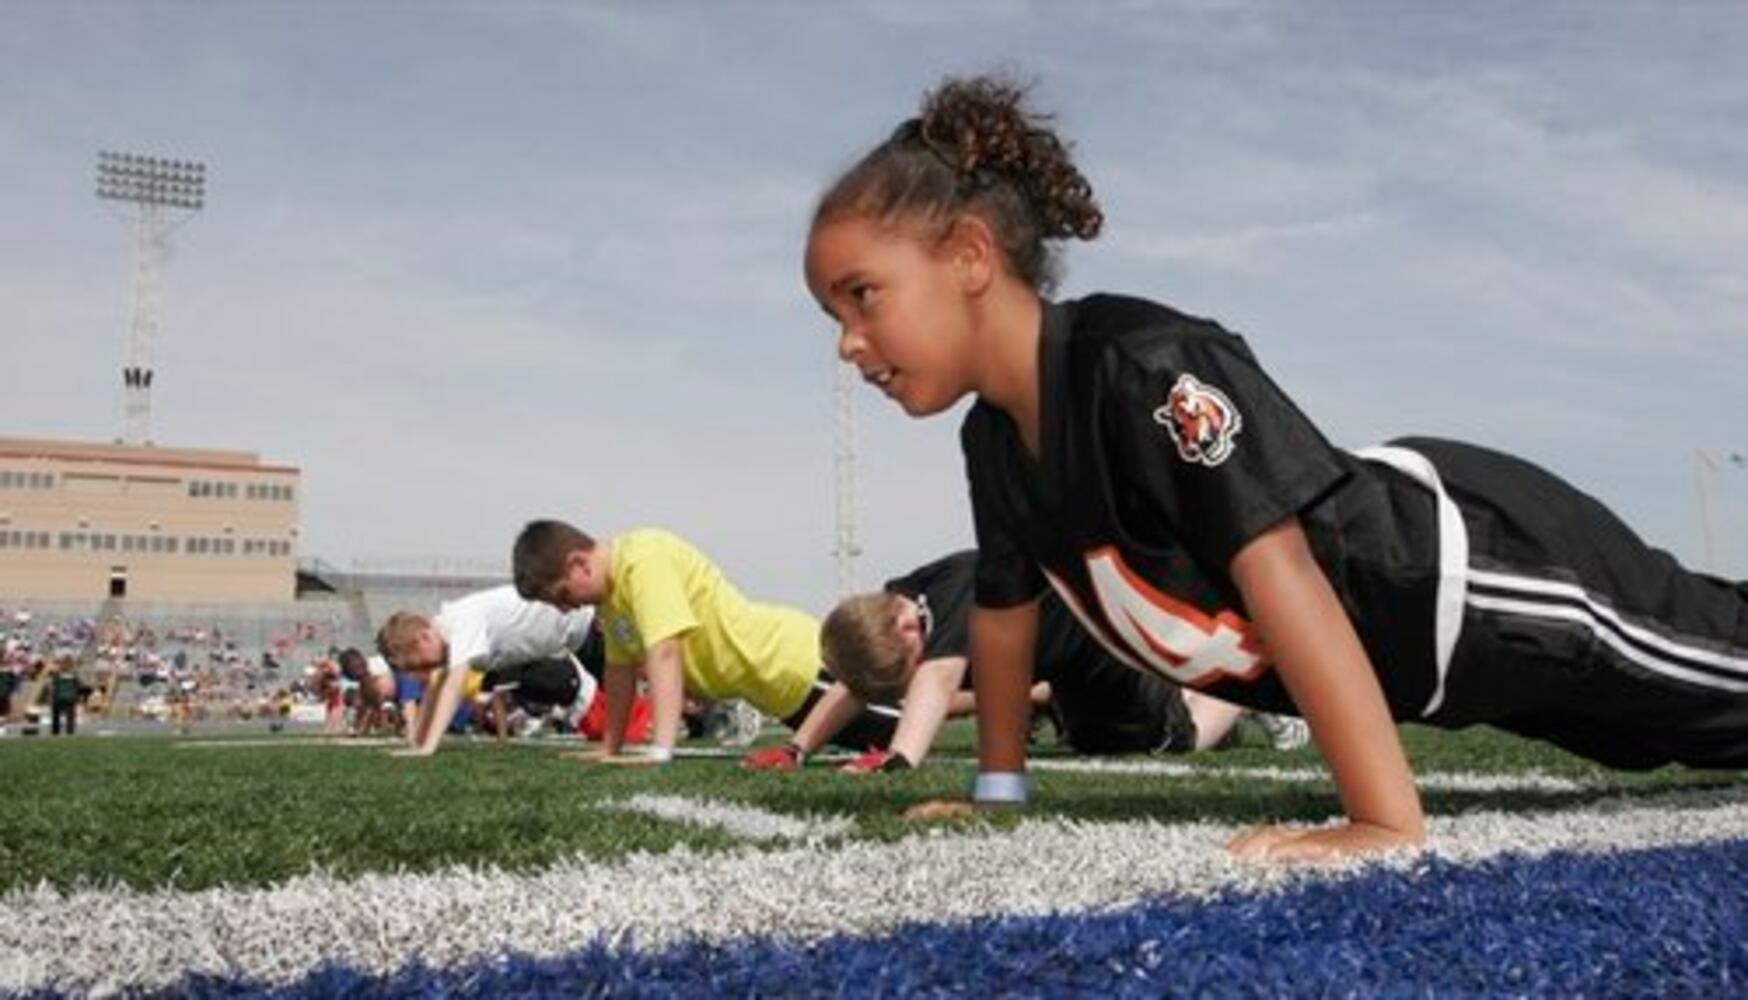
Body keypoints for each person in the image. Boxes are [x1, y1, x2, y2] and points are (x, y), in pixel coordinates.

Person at [802, 74, 1748, 864]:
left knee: (1722, 673)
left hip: (1482, 575)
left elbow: (1279, 569)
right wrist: (1000, 793)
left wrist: (1380, 820)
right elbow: (1004, 619)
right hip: (1446, 677)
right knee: (1668, 737)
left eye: (862, 296)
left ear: (969, 255)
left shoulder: (1143, 365)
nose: (849, 343)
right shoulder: (995, 443)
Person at [745, 551, 1302, 772]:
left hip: (1103, 657)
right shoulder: (905, 599)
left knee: (1177, 738)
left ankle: (1253, 669)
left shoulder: (956, 601)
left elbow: (936, 683)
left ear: (909, 628)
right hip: (1065, 677)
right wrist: (797, 750)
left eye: (906, 670)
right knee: (1093, 744)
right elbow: (858, 684)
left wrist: (897, 761)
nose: (911, 681)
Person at [511, 522, 902, 764]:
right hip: (783, 700)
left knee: (915, 706)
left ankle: (958, 669)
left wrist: (661, 749)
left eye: (563, 595)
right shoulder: (611, 602)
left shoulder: (643, 557)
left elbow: (665, 650)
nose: (565, 609)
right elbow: (619, 671)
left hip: (794, 666)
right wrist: (609, 746)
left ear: (580, 564)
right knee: (898, 721)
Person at [374, 584, 597, 756]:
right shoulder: (446, 634)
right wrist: (417, 740)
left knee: (622, 726)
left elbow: (453, 687)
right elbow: (435, 687)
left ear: (424, 637)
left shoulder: (460, 622)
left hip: (587, 625)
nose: (422, 671)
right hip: (569, 641)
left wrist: (429, 747)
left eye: (419, 664)